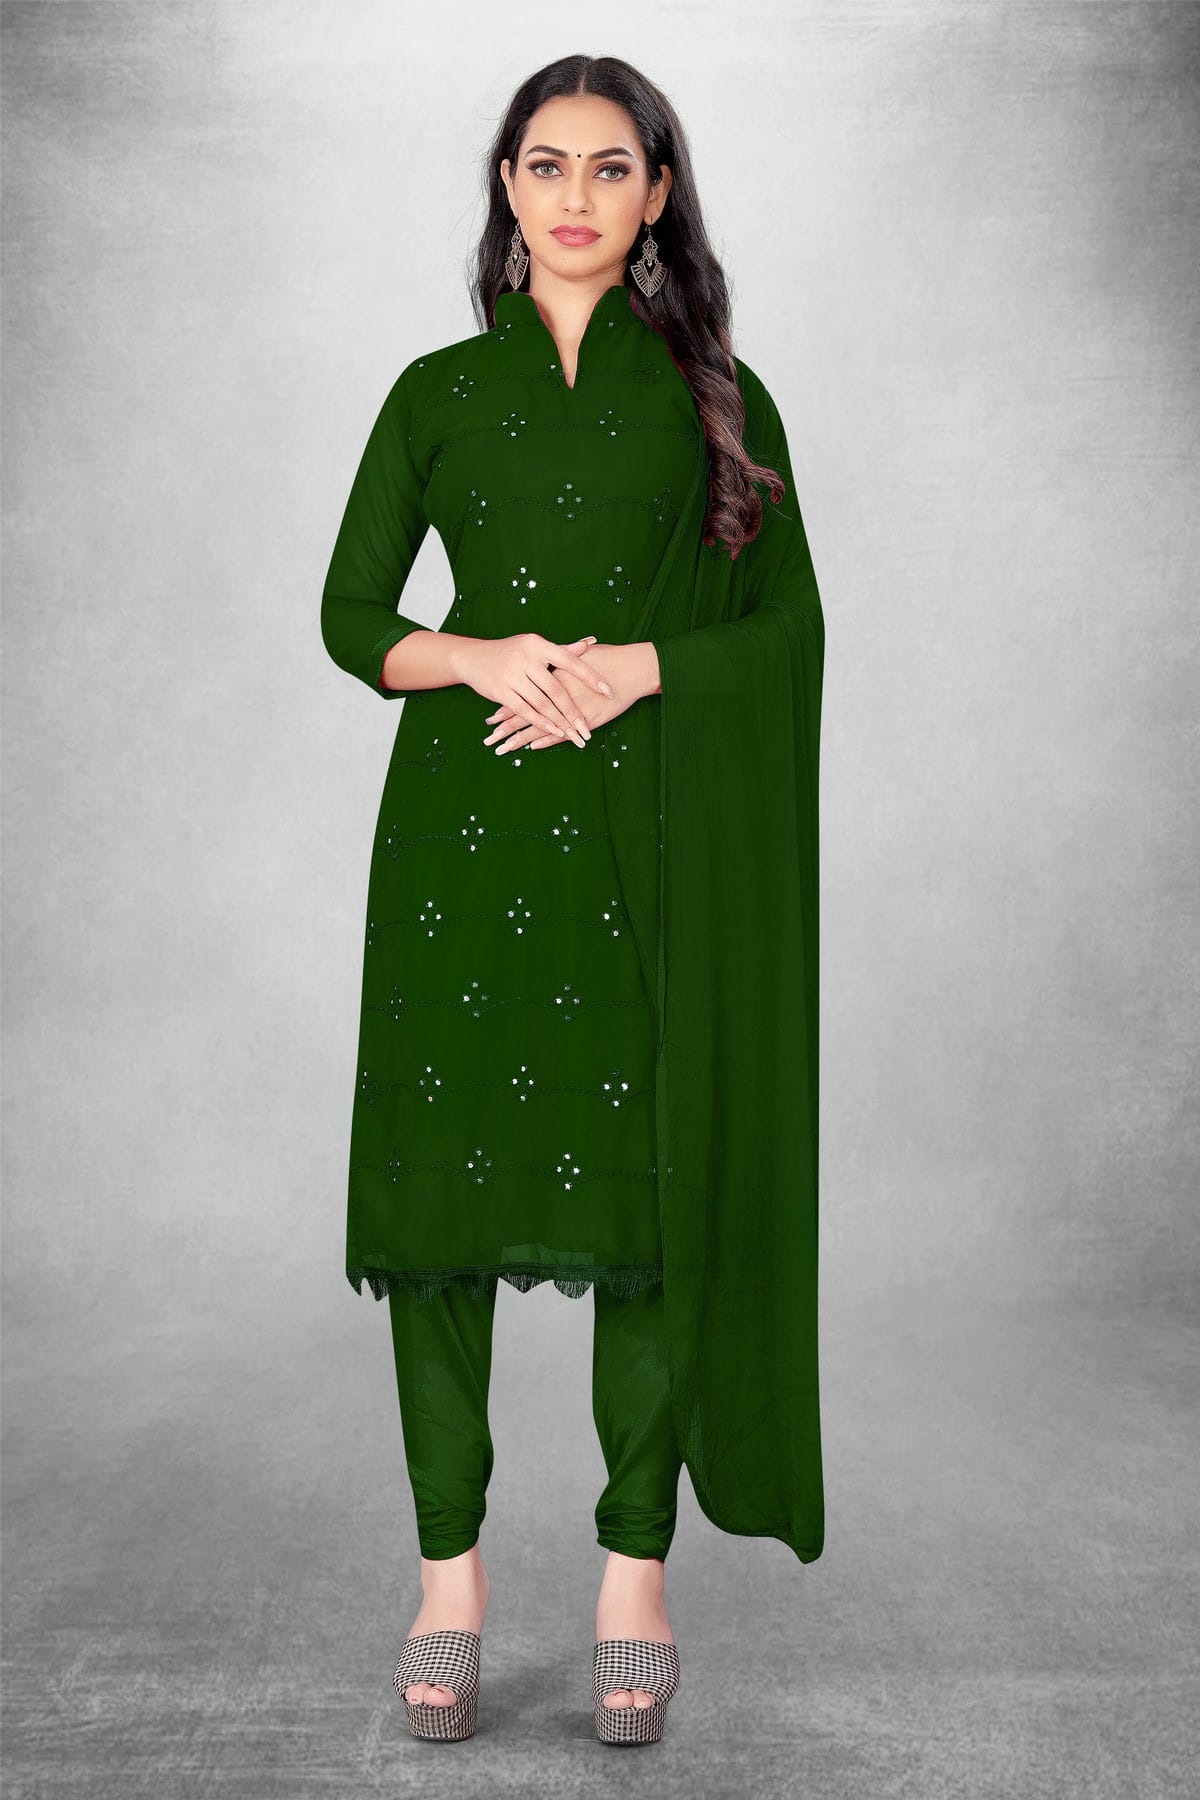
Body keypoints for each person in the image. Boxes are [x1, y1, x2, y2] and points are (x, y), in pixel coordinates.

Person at [321, 54, 825, 1748]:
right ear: (507, 186)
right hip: (462, 842)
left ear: (658, 194)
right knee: (436, 1223)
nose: (576, 197)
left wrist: (637, 668)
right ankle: (447, 1579)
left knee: (645, 1214)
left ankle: (633, 1576)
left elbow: (788, 631)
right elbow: (349, 616)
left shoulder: (718, 401)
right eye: (546, 165)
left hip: (644, 844)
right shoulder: (436, 392)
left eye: (613, 168)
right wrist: (480, 656)